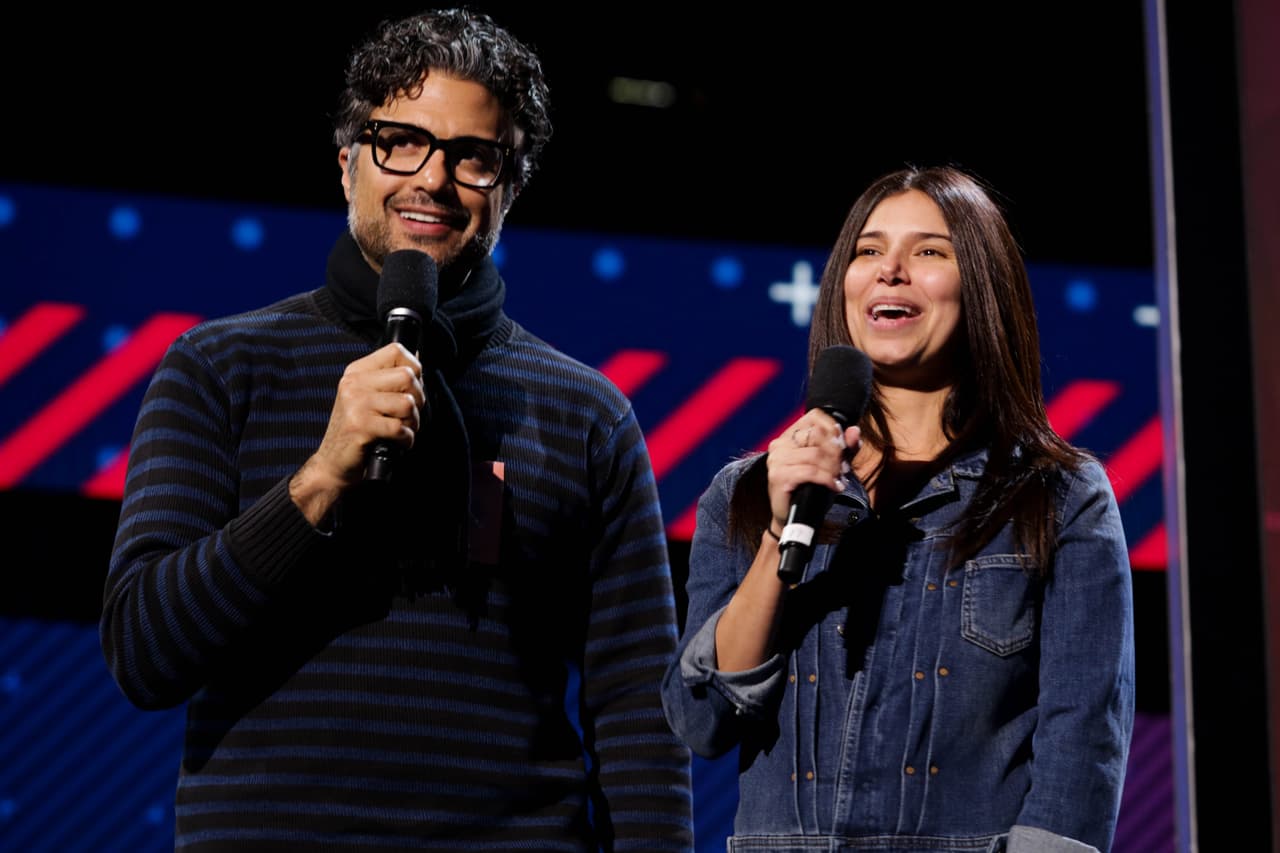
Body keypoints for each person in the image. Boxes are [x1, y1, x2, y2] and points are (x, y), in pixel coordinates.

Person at [100, 9, 693, 851]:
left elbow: (639, 712)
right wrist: (319, 479)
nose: (434, 179)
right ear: (347, 165)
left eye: (472, 156)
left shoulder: (587, 414)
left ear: (508, 189)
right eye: (400, 142)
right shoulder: (217, 368)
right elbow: (143, 652)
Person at [661, 166, 1135, 852]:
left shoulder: (1057, 496)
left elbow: (1081, 752)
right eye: (869, 250)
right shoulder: (743, 492)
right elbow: (701, 717)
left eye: (929, 252)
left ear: (981, 285)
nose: (890, 271)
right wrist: (777, 535)